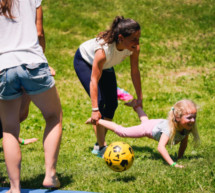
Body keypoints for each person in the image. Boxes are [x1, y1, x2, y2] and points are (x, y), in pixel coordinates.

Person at [0, 0, 63, 192]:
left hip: (3, 66)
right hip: (32, 61)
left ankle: (14, 187)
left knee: (9, 129)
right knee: (53, 117)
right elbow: (39, 33)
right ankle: (50, 175)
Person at [74, 16, 143, 157]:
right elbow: (94, 80)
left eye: (138, 38)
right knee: (99, 103)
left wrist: (139, 97)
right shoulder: (103, 50)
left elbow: (135, 71)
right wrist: (94, 110)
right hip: (85, 61)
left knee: (112, 104)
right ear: (121, 38)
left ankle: (98, 144)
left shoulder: (133, 48)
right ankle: (101, 146)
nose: (137, 43)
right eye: (133, 39)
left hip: (106, 65)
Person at [86, 99, 200, 168]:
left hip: (154, 124)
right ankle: (97, 121)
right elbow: (161, 147)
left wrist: (179, 158)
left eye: (194, 117)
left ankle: (136, 106)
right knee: (123, 132)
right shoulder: (169, 129)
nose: (193, 121)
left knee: (145, 121)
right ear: (178, 117)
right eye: (189, 118)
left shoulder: (186, 127)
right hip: (149, 129)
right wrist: (173, 164)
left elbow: (183, 143)